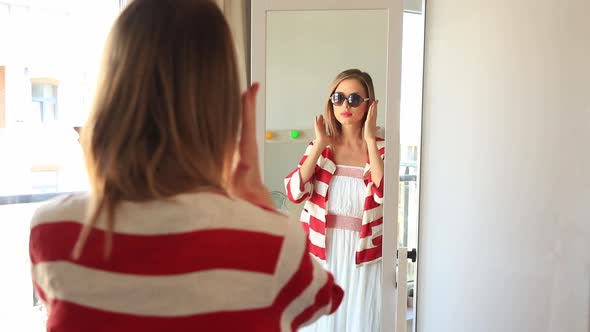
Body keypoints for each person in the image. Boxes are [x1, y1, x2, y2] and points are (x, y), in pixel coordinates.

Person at [28, 1, 343, 331]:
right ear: (224, 111)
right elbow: (327, 297)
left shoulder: (52, 229)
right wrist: (258, 202)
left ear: (111, 98)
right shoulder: (273, 241)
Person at [284, 69, 385, 332]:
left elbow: (384, 192)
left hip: (363, 256)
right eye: (338, 98)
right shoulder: (322, 149)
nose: (345, 106)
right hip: (322, 252)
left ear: (368, 105)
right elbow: (294, 193)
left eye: (354, 99)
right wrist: (319, 144)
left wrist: (371, 140)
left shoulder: (382, 148)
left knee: (360, 322)